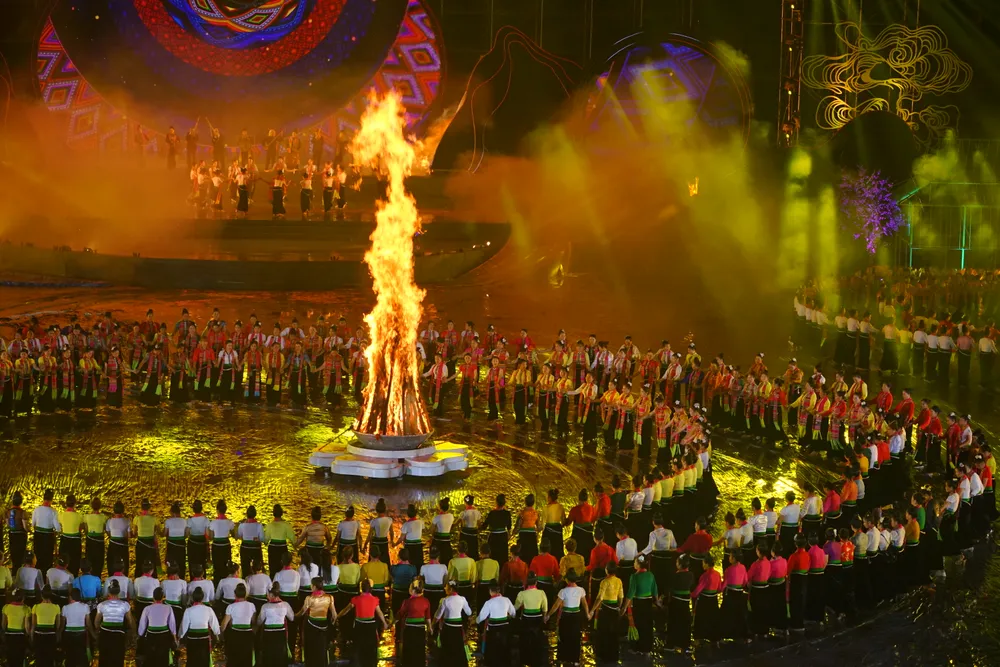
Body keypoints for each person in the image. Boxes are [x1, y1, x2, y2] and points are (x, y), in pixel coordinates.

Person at [339, 579, 389, 667]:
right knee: (370, 646)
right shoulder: (374, 599)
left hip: (359, 624)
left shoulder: (356, 599)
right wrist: (384, 623)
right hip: (371, 625)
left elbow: (346, 610)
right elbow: (379, 612)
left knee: (358, 646)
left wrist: (338, 616)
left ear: (361, 588)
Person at [545, 569, 588, 665]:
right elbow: (584, 604)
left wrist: (548, 615)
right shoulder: (581, 590)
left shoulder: (563, 591)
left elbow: (556, 606)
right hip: (576, 616)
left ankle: (563, 657)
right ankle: (575, 660)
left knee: (564, 636)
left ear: (567, 580)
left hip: (566, 617)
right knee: (576, 637)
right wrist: (588, 614)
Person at [297, 576, 335, 667]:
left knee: (311, 646)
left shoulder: (309, 598)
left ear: (314, 586)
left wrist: (294, 616)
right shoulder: (329, 597)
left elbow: (302, 612)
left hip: (311, 625)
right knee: (321, 647)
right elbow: (334, 615)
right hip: (324, 625)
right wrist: (331, 624)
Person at [94, 579, 133, 667]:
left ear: (108, 592)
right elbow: (130, 622)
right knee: (117, 659)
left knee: (104, 659)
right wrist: (131, 634)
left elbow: (96, 622)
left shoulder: (102, 605)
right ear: (118, 591)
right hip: (119, 637)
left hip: (105, 635)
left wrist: (97, 632)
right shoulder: (125, 605)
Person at [477, 583, 516, 667]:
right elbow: (513, 613)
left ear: (490, 591)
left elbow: (481, 617)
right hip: (505, 628)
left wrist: (476, 621)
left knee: (493, 651)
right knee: (505, 649)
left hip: (493, 629)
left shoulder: (488, 602)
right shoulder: (506, 600)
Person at [138, 587, 178, 667]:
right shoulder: (168, 608)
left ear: (153, 597)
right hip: (164, 637)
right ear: (163, 597)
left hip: (151, 636)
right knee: (163, 659)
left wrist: (140, 635)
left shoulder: (147, 609)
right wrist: (175, 639)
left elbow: (142, 626)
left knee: (151, 658)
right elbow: (172, 625)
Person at [397, 578, 432, 667]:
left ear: (412, 590)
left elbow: (400, 614)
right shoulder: (426, 601)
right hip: (420, 629)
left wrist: (392, 622)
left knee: (409, 649)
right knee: (419, 648)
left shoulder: (407, 602)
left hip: (409, 628)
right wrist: (430, 627)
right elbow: (428, 617)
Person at [32, 488, 61, 573]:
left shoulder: (36, 510)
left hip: (38, 536)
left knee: (38, 555)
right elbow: (57, 528)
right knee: (47, 557)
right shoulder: (53, 511)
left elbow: (33, 524)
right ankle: (46, 577)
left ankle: (37, 575)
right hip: (48, 537)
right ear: (51, 499)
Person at [61, 588, 92, 667]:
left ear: (71, 597)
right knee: (81, 656)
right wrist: (94, 634)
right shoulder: (85, 607)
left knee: (70, 656)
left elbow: (62, 625)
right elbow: (88, 623)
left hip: (68, 635)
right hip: (81, 634)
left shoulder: (65, 608)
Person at [31, 585, 61, 667]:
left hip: (38, 634)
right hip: (51, 635)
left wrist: (31, 637)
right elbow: (58, 625)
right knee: (49, 658)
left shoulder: (35, 607)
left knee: (39, 658)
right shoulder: (56, 607)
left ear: (41, 595)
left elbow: (33, 624)